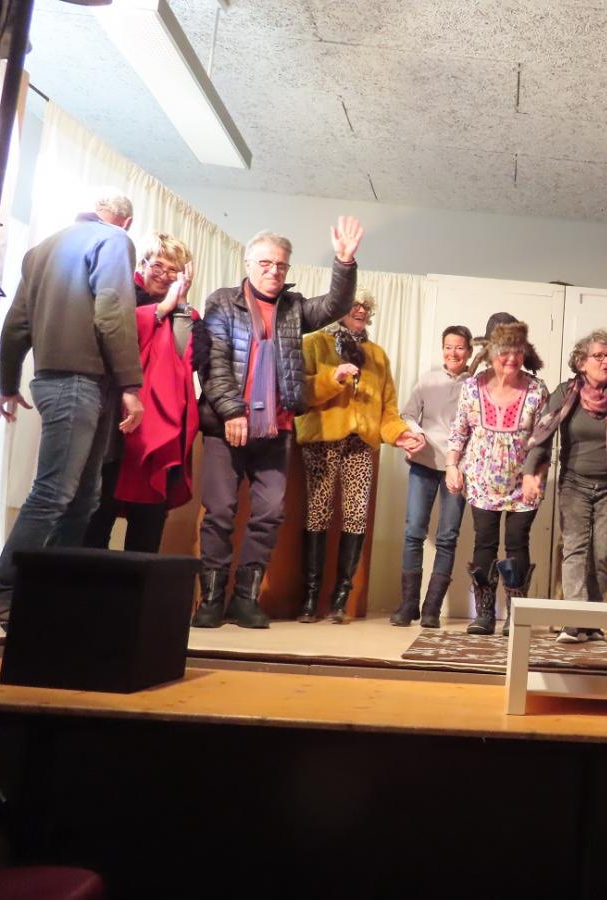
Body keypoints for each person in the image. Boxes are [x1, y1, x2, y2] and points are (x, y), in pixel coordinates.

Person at [192, 217, 364, 629]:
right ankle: (211, 600)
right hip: (226, 426)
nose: (274, 271)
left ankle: (245, 599)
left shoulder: (292, 309)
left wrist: (344, 262)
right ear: (248, 263)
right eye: (266, 263)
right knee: (219, 512)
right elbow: (213, 363)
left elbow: (335, 306)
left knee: (269, 513)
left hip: (276, 428)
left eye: (281, 265)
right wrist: (232, 411)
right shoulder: (222, 302)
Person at [0, 193, 144, 627]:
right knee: (56, 492)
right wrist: (131, 384)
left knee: (83, 496)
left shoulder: (41, 249)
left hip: (55, 381)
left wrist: (7, 384)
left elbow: (16, 323)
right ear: (126, 221)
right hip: (82, 380)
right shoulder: (113, 240)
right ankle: (6, 591)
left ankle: (53, 591)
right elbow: (112, 312)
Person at [296, 291, 425, 624]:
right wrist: (334, 378)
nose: (360, 310)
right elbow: (300, 393)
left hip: (361, 444)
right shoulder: (315, 343)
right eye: (353, 305)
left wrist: (400, 434)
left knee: (356, 516)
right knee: (317, 513)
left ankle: (341, 598)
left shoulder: (377, 356)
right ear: (339, 309)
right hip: (323, 439)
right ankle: (310, 597)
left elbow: (388, 410)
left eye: (365, 307)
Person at [84, 233, 207, 553]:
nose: (164, 275)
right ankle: (87, 584)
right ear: (143, 264)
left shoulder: (187, 314)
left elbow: (188, 357)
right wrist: (161, 308)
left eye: (173, 270)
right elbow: (113, 339)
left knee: (148, 524)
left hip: (160, 432)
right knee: (98, 514)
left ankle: (135, 587)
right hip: (114, 424)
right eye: (158, 266)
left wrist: (179, 306)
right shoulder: (121, 297)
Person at [523, 329, 607, 643]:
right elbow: (543, 433)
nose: (605, 361)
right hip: (574, 483)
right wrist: (530, 473)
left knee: (601, 554)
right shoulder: (566, 393)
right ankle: (574, 622)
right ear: (581, 362)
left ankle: (591, 622)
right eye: (598, 356)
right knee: (575, 550)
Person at [446, 319, 548, 636]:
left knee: (517, 542)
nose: (512, 358)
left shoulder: (537, 390)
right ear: (491, 352)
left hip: (523, 482)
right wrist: (452, 465)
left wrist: (536, 476)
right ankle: (485, 614)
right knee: (484, 542)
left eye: (518, 351)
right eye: (505, 351)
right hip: (481, 480)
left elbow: (543, 441)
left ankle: (517, 616)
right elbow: (459, 431)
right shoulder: (472, 387)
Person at [391, 324, 474, 628]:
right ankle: (408, 605)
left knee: (447, 537)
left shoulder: (475, 386)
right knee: (414, 531)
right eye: (448, 347)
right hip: (424, 464)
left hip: (458, 469)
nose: (453, 353)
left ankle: (431, 610)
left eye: (459, 347)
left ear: (469, 352)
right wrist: (418, 434)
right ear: (442, 350)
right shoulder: (428, 380)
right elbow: (408, 414)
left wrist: (463, 464)